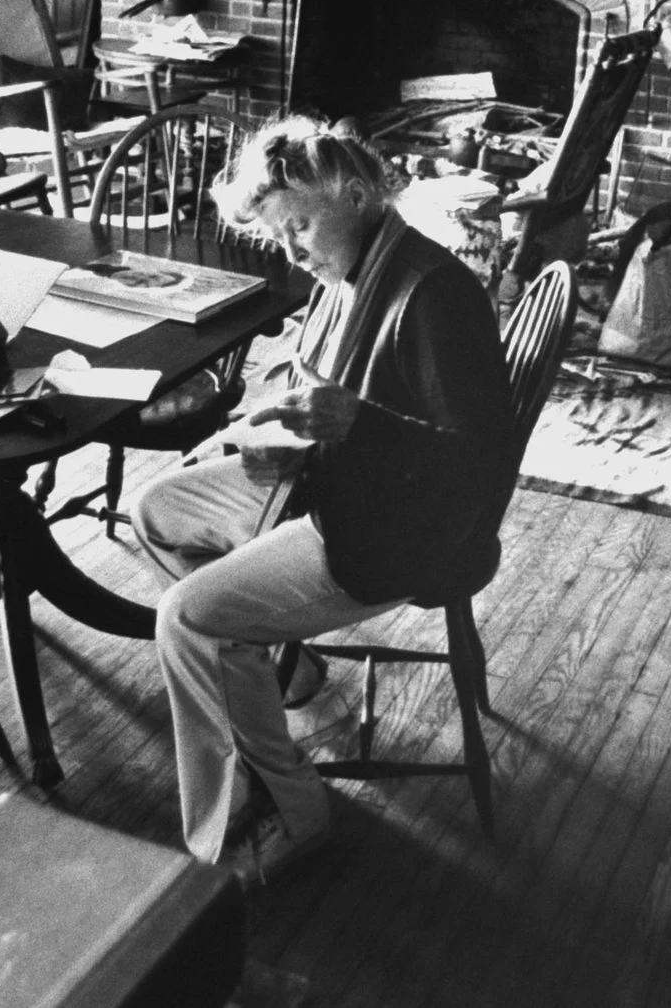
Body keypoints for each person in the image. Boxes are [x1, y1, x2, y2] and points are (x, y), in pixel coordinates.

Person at [132, 115, 516, 886]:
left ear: (357, 192)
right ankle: (296, 684)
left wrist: (358, 423)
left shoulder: (435, 293)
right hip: (333, 479)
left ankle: (285, 809)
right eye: (280, 238)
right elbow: (325, 385)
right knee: (155, 511)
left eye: (300, 226)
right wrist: (289, 426)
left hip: (391, 529)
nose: (293, 250)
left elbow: (480, 465)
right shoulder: (354, 270)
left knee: (188, 620)